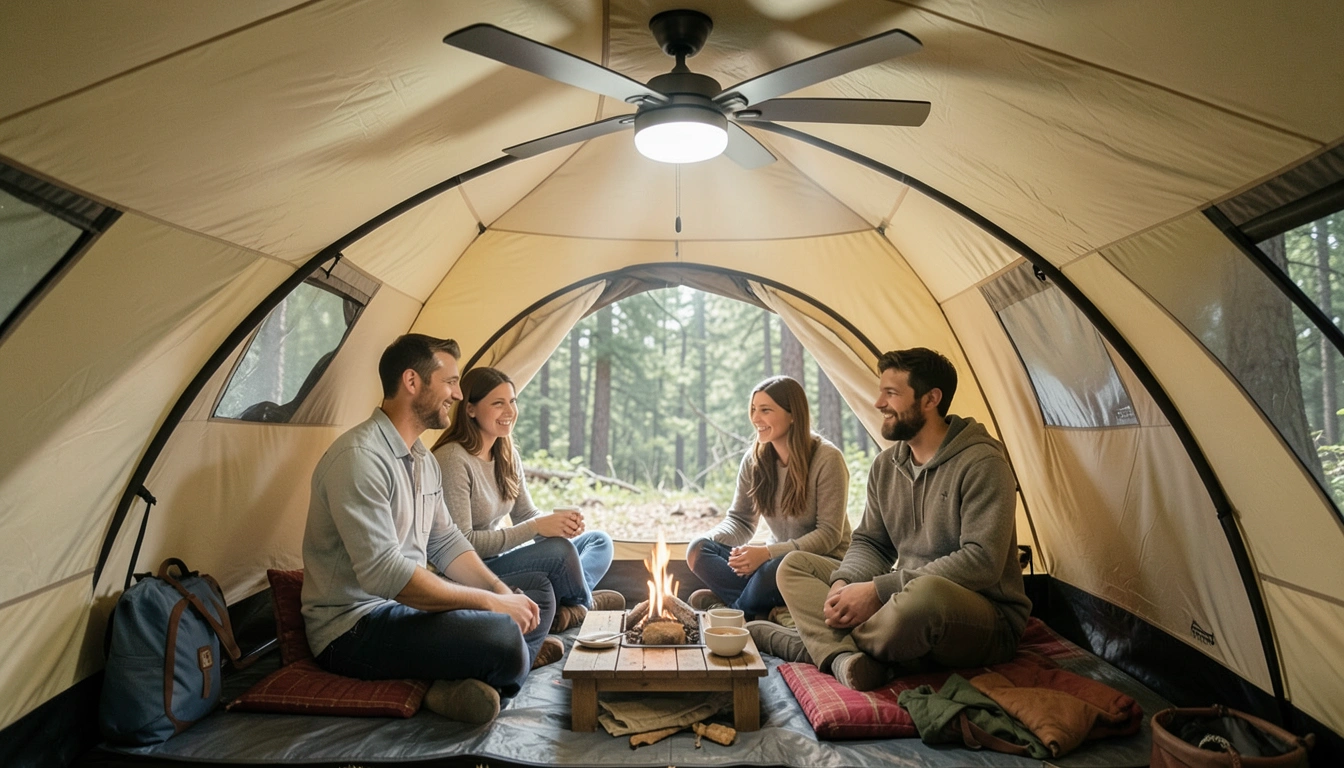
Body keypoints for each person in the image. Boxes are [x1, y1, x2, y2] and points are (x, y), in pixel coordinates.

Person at [302, 334, 558, 725]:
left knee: (536, 593)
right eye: (450, 382)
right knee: (503, 639)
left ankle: (465, 679)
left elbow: (445, 541)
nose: (457, 395)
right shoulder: (359, 459)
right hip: (355, 629)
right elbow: (386, 574)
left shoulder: (422, 457)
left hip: (402, 609)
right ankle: (448, 684)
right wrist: (491, 605)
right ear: (412, 382)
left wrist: (500, 591)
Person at [757, 348, 1031, 691]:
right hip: (901, 597)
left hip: (979, 615)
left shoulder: (982, 463)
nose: (878, 403)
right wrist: (844, 583)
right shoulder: (887, 466)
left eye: (891, 393)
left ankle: (813, 643)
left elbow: (981, 561)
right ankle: (846, 657)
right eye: (880, 391)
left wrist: (878, 591)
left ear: (931, 399)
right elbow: (872, 542)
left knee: (923, 598)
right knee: (794, 566)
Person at [432, 367, 624, 633]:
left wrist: (559, 525)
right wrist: (537, 527)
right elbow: (463, 544)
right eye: (498, 403)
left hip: (499, 555)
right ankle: (584, 605)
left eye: (512, 401)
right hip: (473, 571)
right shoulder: (453, 459)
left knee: (598, 541)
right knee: (560, 553)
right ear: (470, 409)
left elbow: (526, 515)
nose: (510, 411)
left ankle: (575, 606)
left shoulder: (506, 453)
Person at [685, 375, 851, 620]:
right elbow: (741, 521)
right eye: (753, 409)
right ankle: (756, 607)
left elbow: (828, 534)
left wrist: (767, 553)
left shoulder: (827, 459)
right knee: (698, 550)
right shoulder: (755, 460)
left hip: (821, 562)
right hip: (774, 561)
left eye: (765, 410)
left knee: (777, 567)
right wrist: (712, 541)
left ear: (793, 414)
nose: (755, 419)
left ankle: (736, 612)